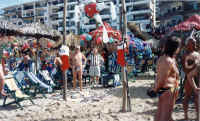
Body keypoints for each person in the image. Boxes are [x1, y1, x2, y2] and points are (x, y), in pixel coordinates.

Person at [152, 36, 181, 121]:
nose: (179, 49)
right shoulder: (167, 60)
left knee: (164, 115)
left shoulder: (168, 59)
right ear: (174, 47)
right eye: (178, 47)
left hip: (169, 90)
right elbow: (161, 78)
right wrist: (155, 89)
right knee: (164, 117)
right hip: (168, 90)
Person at [182, 37, 200, 120]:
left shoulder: (197, 53)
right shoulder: (185, 54)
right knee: (187, 96)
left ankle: (198, 116)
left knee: (197, 97)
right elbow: (184, 68)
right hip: (189, 78)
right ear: (188, 44)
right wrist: (194, 66)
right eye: (192, 42)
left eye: (195, 42)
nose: (194, 43)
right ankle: (186, 115)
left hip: (197, 77)